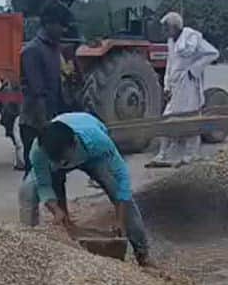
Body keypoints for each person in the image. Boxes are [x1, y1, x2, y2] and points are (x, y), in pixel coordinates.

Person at [19, 112, 151, 266]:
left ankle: (142, 253)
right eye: (56, 161)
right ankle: (29, 248)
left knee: (116, 190)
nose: (61, 165)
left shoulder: (98, 141)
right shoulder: (39, 150)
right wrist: (56, 210)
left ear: (75, 143)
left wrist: (120, 219)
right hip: (61, 151)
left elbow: (122, 178)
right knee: (27, 191)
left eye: (64, 161)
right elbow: (44, 184)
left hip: (92, 156)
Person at [146, 12, 219, 168]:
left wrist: (194, 69)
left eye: (166, 28)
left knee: (190, 118)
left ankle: (191, 154)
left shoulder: (192, 37)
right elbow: (170, 64)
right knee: (167, 118)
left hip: (188, 84)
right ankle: (163, 153)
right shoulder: (170, 41)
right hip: (176, 85)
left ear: (174, 27)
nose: (164, 31)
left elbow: (213, 53)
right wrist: (167, 86)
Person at [19, 0, 72, 170]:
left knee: (57, 174)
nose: (64, 30)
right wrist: (45, 129)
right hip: (35, 124)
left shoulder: (54, 49)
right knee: (35, 175)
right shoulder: (32, 51)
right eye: (62, 25)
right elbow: (37, 93)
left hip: (51, 121)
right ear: (49, 23)